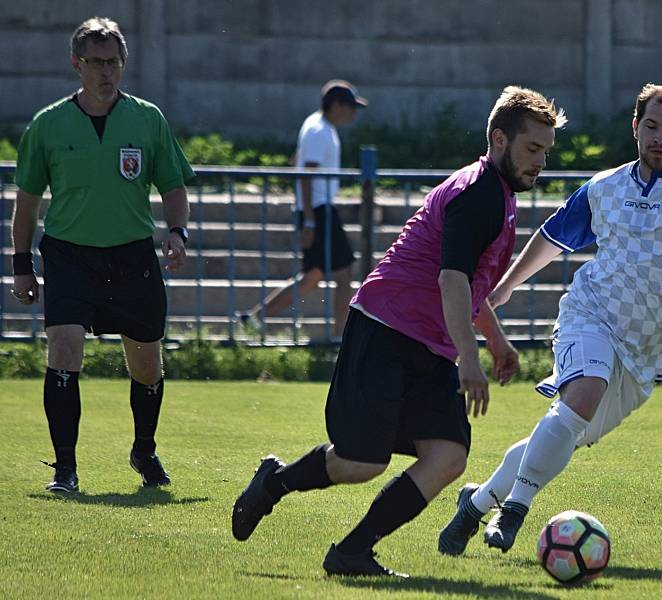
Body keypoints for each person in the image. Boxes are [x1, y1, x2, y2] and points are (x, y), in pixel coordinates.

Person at [231, 86, 567, 576]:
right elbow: (450, 278)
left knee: (448, 456)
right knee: (360, 463)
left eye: (546, 152)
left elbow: (469, 285)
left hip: (428, 346)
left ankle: (351, 553)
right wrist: (471, 358)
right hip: (385, 332)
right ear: (499, 139)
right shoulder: (479, 195)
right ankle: (273, 483)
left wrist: (495, 340)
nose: (540, 161)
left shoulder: (500, 194)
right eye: (532, 149)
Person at [437, 83, 662, 556]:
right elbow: (552, 237)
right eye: (650, 126)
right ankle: (516, 509)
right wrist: (504, 287)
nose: (659, 138)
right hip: (591, 313)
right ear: (635, 128)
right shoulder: (605, 185)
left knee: (565, 427)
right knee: (581, 395)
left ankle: (476, 503)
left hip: (645, 352)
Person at [11, 17, 194, 493]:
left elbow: (173, 185)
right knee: (65, 351)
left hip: (132, 257)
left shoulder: (147, 118)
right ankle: (66, 468)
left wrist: (177, 232)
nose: (107, 71)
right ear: (77, 64)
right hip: (70, 256)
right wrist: (21, 264)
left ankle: (144, 451)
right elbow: (27, 203)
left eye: (114, 62)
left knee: (147, 364)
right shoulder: (48, 124)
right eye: (97, 62)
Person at [238, 79, 367, 339]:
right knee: (344, 276)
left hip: (317, 210)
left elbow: (297, 160)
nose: (353, 112)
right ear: (336, 105)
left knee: (312, 276)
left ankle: (254, 319)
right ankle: (339, 339)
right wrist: (309, 219)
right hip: (318, 211)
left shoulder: (317, 126)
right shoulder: (319, 130)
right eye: (350, 106)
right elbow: (305, 174)